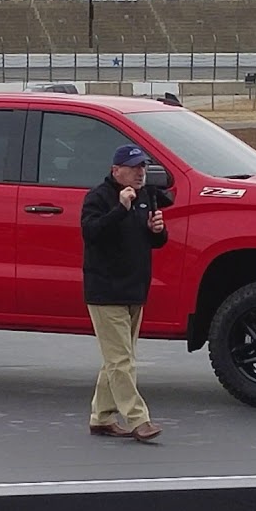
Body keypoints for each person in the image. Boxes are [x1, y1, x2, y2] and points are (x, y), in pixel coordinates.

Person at [80, 143, 168, 442]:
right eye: (133, 167)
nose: (140, 173)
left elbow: (152, 242)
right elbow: (92, 234)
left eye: (142, 167)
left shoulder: (145, 196)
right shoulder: (99, 197)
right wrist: (120, 209)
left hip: (134, 289)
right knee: (122, 361)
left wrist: (157, 231)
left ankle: (101, 417)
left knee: (118, 358)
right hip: (105, 291)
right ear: (115, 170)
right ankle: (138, 419)